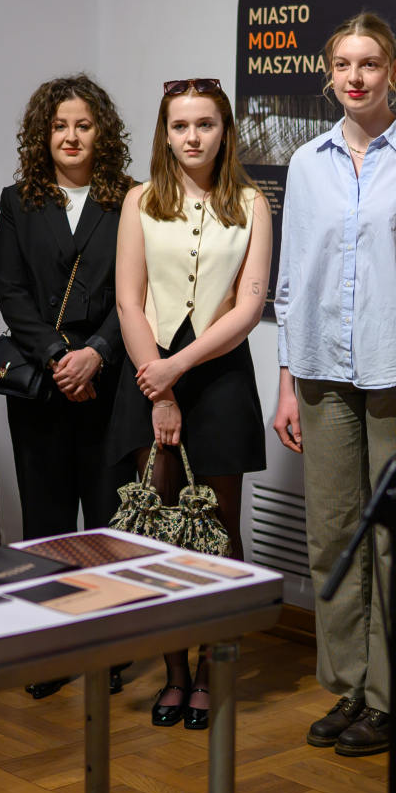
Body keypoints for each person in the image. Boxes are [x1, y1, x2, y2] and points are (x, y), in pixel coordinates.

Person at [271, 11, 396, 758]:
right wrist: (285, 381)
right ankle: (351, 684)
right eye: (344, 65)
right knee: (332, 535)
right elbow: (292, 280)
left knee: (395, 539)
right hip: (320, 368)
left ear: (393, 71)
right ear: (330, 74)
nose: (356, 77)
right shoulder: (306, 162)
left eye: (370, 64)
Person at [113, 79, 270, 730]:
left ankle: (210, 668)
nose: (193, 137)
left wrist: (178, 367)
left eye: (205, 124)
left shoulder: (253, 203)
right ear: (166, 133)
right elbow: (129, 300)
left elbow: (249, 307)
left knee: (218, 529)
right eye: (180, 126)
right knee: (160, 529)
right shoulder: (140, 200)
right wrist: (161, 388)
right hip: (150, 375)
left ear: (224, 130)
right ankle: (174, 671)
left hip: (220, 376)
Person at [0, 74, 134, 702]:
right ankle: (49, 648)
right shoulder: (18, 201)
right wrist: (58, 357)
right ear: (42, 135)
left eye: (83, 124)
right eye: (59, 126)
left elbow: (139, 292)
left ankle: (107, 648)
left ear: (101, 132)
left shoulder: (129, 199)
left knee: (106, 519)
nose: (71, 136)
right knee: (47, 521)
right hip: (44, 383)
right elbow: (10, 290)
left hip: (109, 381)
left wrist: (97, 353)